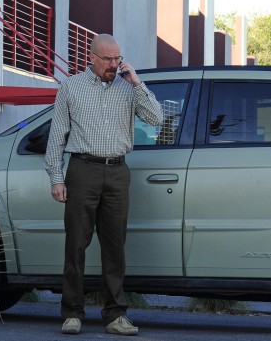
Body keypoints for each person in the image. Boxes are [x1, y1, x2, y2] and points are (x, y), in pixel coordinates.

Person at [44, 34, 163, 336]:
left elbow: (157, 118)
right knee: (76, 245)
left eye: (117, 58)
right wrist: (56, 178)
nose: (114, 64)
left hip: (118, 172)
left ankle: (115, 315)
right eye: (108, 59)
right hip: (82, 170)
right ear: (91, 57)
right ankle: (72, 313)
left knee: (115, 247)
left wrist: (137, 83)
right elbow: (57, 136)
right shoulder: (70, 87)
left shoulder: (128, 88)